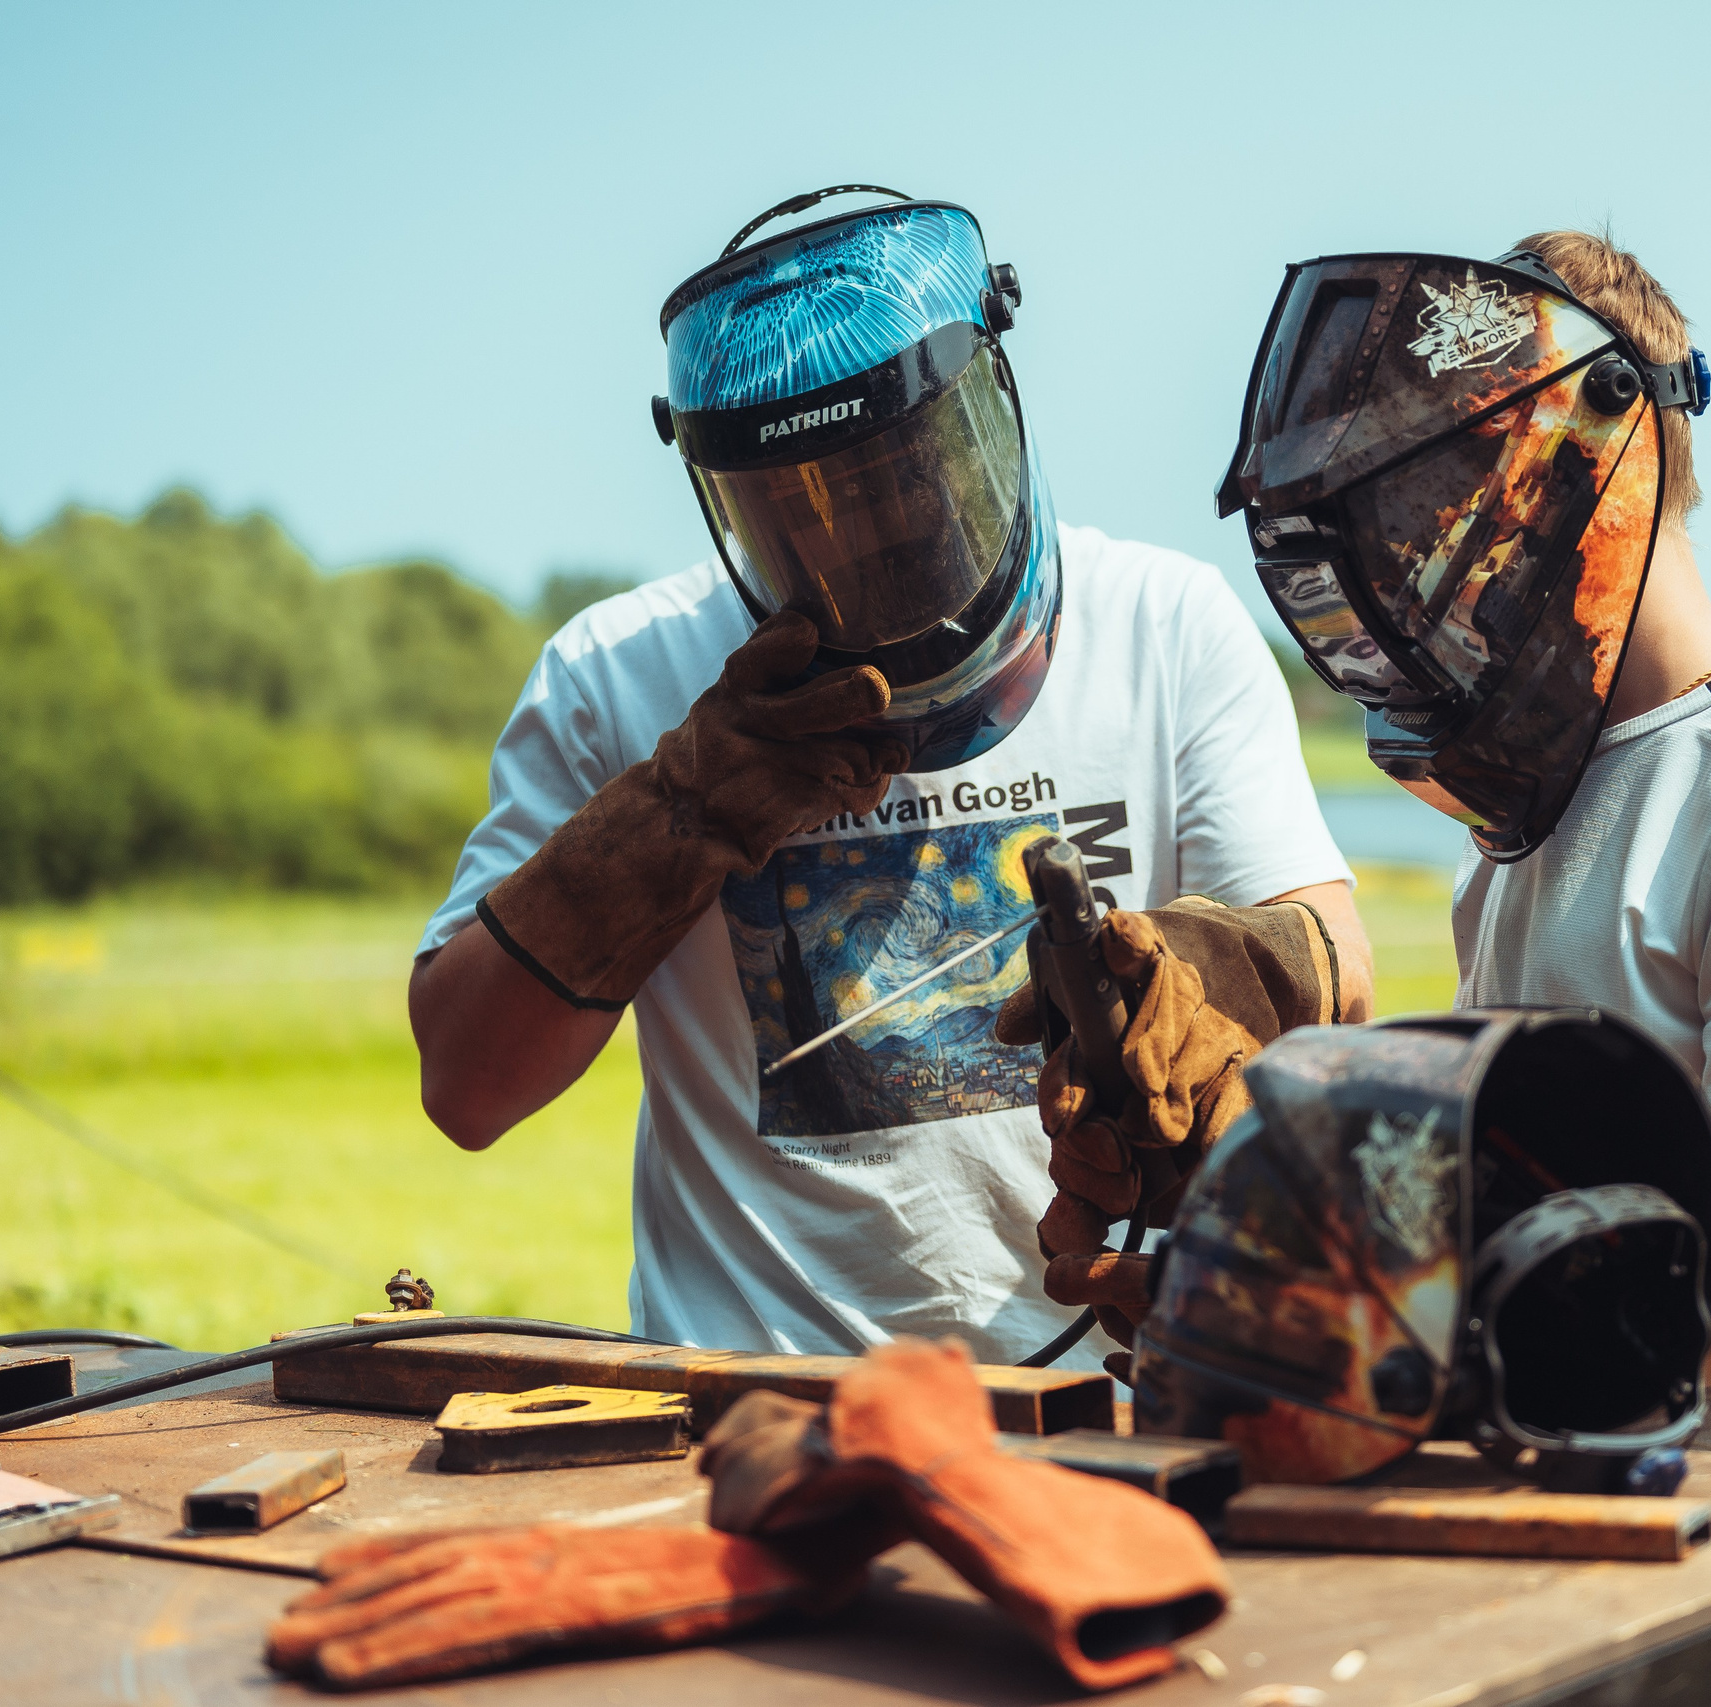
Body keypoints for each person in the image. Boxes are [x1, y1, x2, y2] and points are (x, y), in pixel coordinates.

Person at [407, 187, 1369, 1371]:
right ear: (725, 493)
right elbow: (465, 1085)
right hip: (746, 1402)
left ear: (986, 413)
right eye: (794, 505)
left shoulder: (1162, 623)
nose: (857, 538)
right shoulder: (619, 672)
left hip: (1100, 1391)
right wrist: (679, 816)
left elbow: (1335, 975)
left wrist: (1204, 972)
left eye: (898, 482)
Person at [1213, 230, 1711, 1477]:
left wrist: (1413, 1359)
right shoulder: (1530, 799)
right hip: (1587, 1466)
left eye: (1452, 488)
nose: (1426, 542)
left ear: (1599, 448)